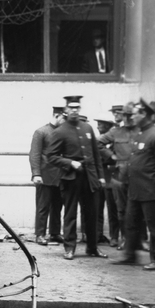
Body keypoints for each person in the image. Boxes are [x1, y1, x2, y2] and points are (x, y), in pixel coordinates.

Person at [112, 99, 155, 270]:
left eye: (137, 113)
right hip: (135, 189)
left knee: (154, 227)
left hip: (152, 190)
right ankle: (130, 255)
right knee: (130, 223)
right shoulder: (139, 133)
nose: (133, 116)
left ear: (145, 114)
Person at [45, 95, 107, 260]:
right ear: (66, 110)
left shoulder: (87, 128)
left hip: (90, 177)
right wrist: (70, 163)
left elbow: (96, 154)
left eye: (77, 108)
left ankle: (92, 247)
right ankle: (70, 248)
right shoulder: (60, 131)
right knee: (70, 213)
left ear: (80, 109)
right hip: (71, 178)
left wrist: (100, 177)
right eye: (71, 108)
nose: (74, 110)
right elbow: (51, 156)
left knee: (92, 213)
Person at [97, 102, 149, 251]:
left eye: (132, 115)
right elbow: (98, 143)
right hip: (120, 176)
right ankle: (125, 239)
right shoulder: (116, 132)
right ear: (124, 116)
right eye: (127, 115)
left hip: (139, 176)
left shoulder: (142, 131)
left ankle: (142, 239)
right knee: (121, 210)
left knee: (142, 209)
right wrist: (112, 156)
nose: (129, 118)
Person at [29, 106, 65, 245]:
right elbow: (34, 154)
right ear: (57, 115)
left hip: (60, 176)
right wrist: (36, 174)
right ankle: (40, 234)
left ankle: (55, 233)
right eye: (63, 118)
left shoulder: (63, 133)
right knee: (43, 206)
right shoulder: (41, 132)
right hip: (45, 176)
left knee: (57, 206)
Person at [94, 118, 118, 246]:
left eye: (101, 125)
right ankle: (98, 235)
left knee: (112, 209)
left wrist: (111, 157)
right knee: (97, 208)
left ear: (109, 126)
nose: (98, 127)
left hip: (111, 178)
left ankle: (114, 236)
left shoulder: (115, 140)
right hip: (99, 178)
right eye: (97, 124)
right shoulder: (98, 140)